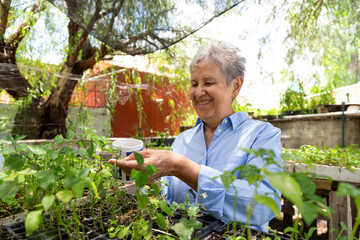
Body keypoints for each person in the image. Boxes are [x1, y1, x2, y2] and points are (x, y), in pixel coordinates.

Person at [109, 41, 283, 231]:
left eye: (208, 82)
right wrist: (151, 179)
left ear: (235, 86)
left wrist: (181, 167)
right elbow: (167, 199)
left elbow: (263, 205)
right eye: (194, 84)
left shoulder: (262, 135)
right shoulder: (183, 140)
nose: (199, 92)